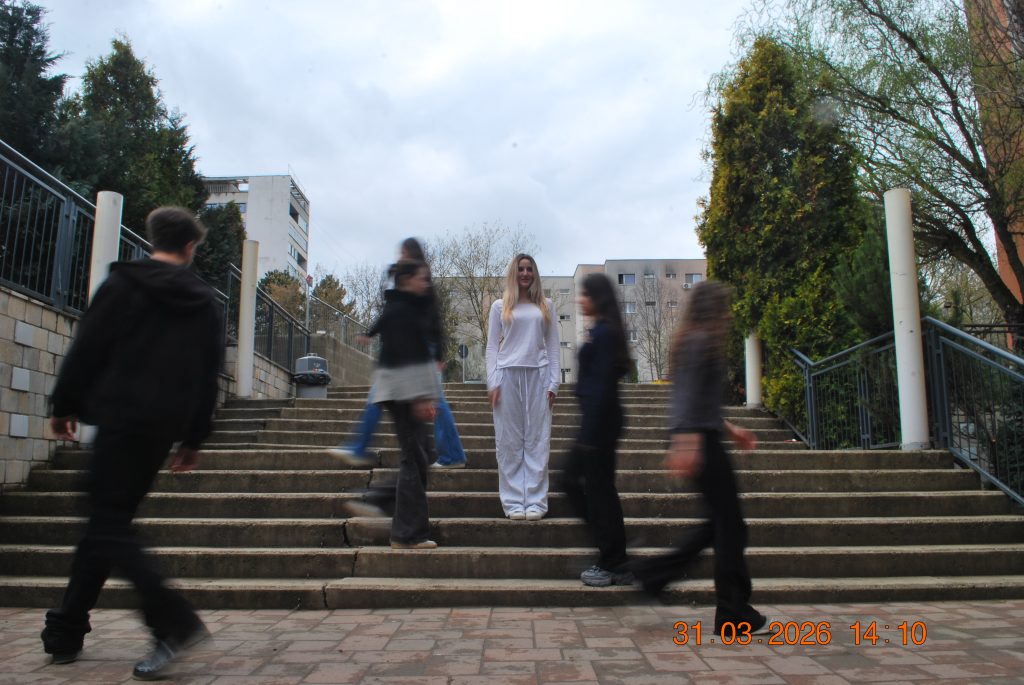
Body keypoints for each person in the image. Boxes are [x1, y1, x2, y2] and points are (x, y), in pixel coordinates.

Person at [40, 207, 222, 680]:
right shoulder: (204, 301)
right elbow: (207, 376)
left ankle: (172, 621)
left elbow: (88, 347)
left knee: (105, 523)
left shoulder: (122, 284)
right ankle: (65, 629)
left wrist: (63, 405)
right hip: (161, 427)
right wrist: (194, 437)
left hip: (120, 417)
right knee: (108, 522)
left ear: (152, 239)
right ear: (190, 247)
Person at [630, 280, 768, 635]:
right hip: (698, 440)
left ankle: (654, 576)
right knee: (730, 525)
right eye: (724, 308)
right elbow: (687, 398)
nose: (728, 315)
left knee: (718, 525)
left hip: (702, 435)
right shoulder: (700, 341)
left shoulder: (696, 340)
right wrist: (687, 443)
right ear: (713, 309)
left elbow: (702, 401)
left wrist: (731, 429)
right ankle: (732, 611)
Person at [328, 238, 468, 469]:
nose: (399, 256)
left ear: (412, 254)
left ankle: (361, 447)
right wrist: (371, 332)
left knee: (431, 401)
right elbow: (390, 312)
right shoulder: (404, 280)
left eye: (403, 252)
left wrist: (438, 354)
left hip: (420, 347)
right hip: (403, 350)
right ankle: (451, 454)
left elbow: (434, 319)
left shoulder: (422, 282)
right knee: (384, 397)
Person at [348, 259, 441, 548]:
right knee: (414, 458)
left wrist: (368, 334)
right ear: (406, 280)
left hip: (401, 390)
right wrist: (421, 396)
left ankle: (396, 518)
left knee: (422, 455)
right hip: (404, 392)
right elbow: (408, 356)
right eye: (421, 278)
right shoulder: (403, 310)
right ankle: (407, 534)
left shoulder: (400, 307)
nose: (425, 284)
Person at [560, 273, 633, 586]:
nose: (580, 300)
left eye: (585, 294)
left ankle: (614, 559)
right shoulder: (602, 331)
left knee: (596, 489)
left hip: (599, 423)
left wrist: (590, 433)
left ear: (598, 298)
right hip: (596, 420)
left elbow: (602, 386)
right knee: (579, 484)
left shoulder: (605, 334)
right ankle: (612, 548)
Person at [485, 253, 560, 520]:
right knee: (509, 441)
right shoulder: (500, 306)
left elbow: (553, 345)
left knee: (538, 440)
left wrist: (554, 382)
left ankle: (537, 502)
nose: (525, 273)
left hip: (538, 375)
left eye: (529, 269)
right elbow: (492, 347)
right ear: (514, 273)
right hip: (507, 375)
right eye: (520, 269)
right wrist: (493, 381)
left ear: (534, 273)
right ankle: (514, 502)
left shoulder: (546, 305)